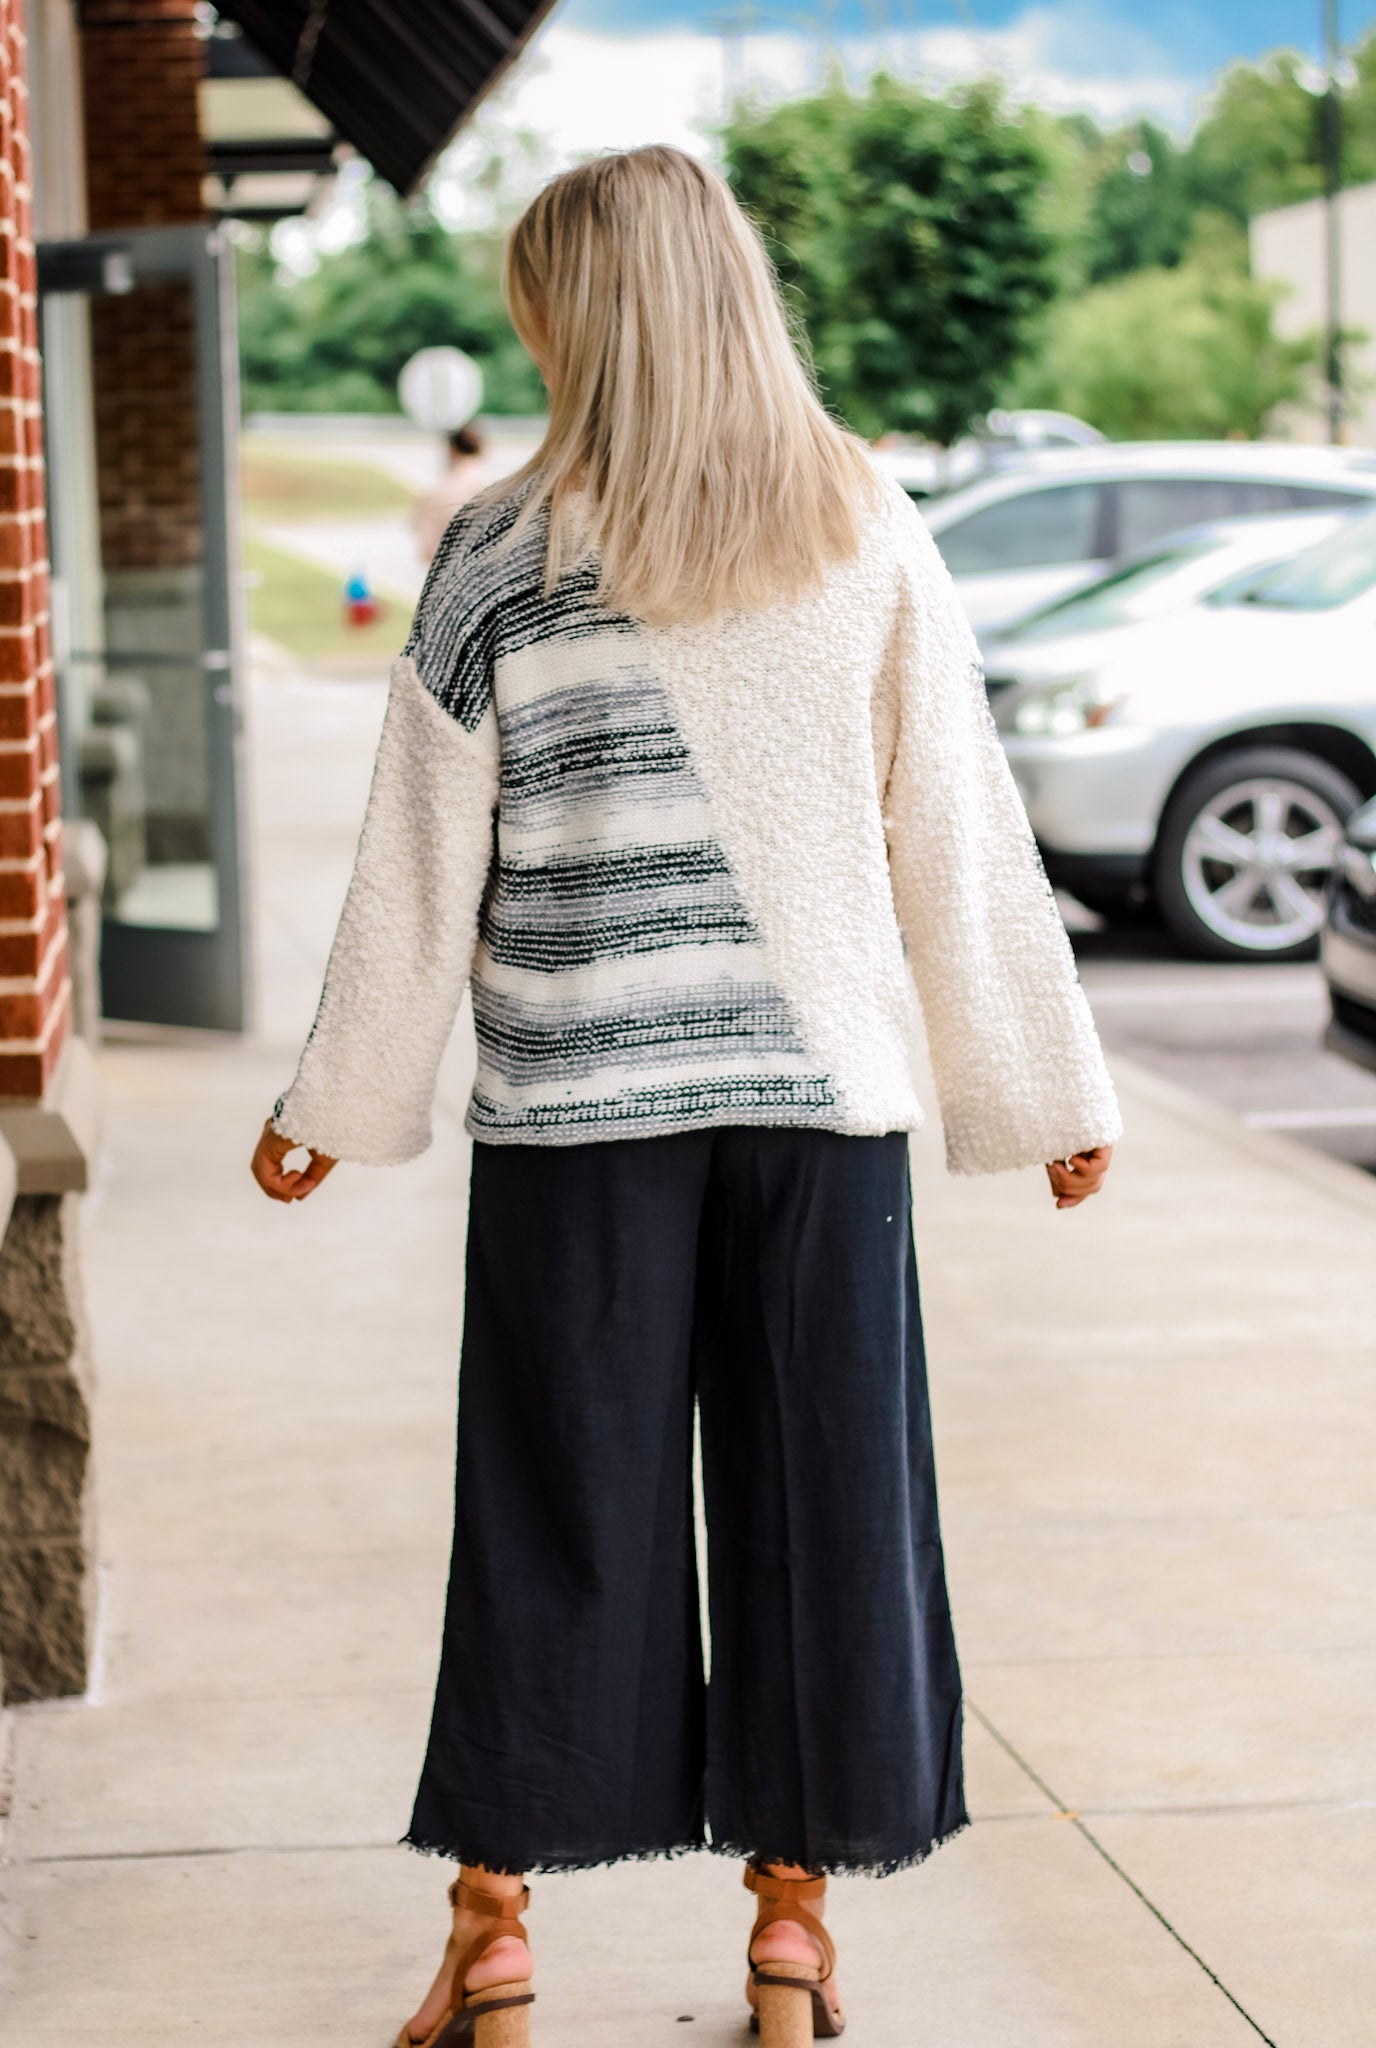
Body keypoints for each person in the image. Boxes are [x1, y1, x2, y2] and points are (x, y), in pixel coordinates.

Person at [252, 145, 1119, 2048]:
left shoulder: (498, 549)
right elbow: (957, 834)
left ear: (580, 313)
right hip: (823, 1114)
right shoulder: (863, 528)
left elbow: (419, 863)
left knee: (557, 1511)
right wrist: (1044, 1083)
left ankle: (494, 1933)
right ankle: (793, 1939)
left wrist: (340, 1091)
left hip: (578, 1117)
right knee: (828, 1511)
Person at [412, 422, 489, 567]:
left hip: (449, 577)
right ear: (483, 448)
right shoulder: (497, 488)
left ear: (451, 450)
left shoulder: (435, 493)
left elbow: (427, 550)